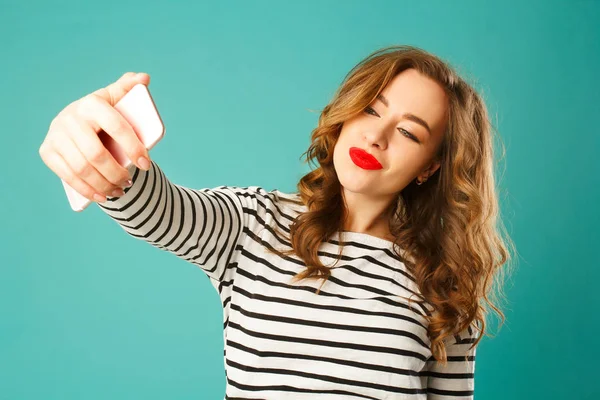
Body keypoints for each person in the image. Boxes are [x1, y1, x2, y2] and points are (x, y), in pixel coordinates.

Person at [39, 44, 515, 399]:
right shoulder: (253, 225)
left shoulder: (443, 285)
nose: (377, 135)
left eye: (410, 132)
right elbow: (157, 209)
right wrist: (94, 143)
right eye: (372, 108)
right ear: (347, 114)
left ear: (430, 167)